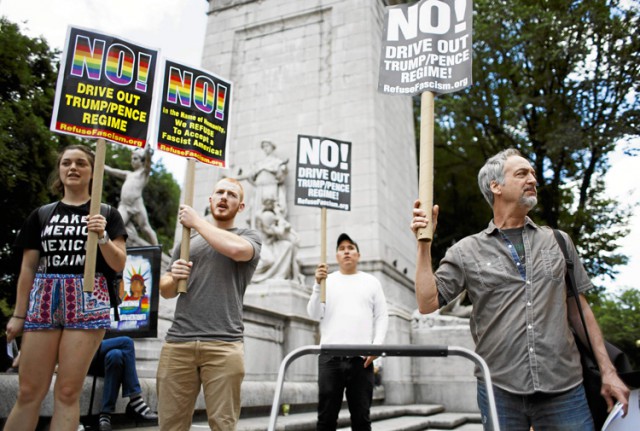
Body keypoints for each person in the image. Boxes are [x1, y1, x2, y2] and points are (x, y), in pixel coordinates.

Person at [410, 148, 630, 430]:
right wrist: (423, 245)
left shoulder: (559, 241)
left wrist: (608, 371)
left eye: (534, 174)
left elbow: (580, 312)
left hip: (565, 388)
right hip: (499, 391)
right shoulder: (466, 251)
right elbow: (427, 302)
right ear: (496, 186)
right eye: (522, 173)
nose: (533, 180)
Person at [4, 144, 127, 431]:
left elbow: (119, 264)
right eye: (67, 163)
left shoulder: (108, 214)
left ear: (93, 172)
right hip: (44, 299)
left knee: (68, 392)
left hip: (88, 300)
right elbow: (28, 268)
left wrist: (103, 237)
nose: (73, 168)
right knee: (28, 392)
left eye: (81, 163)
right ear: (60, 171)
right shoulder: (41, 215)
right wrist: (19, 314)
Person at [156, 177, 262, 430]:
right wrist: (174, 277)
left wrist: (197, 222)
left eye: (232, 195)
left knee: (223, 425)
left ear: (241, 206)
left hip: (224, 344)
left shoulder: (248, 237)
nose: (225, 197)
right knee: (170, 424)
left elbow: (237, 252)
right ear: (211, 199)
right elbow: (167, 290)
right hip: (178, 342)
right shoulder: (186, 242)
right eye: (220, 192)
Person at [307, 233, 389, 431]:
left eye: (350, 248)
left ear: (358, 255)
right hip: (330, 358)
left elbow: (382, 317)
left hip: (362, 359)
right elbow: (314, 314)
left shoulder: (371, 282)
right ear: (336, 256)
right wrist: (317, 286)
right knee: (326, 419)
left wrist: (376, 346)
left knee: (361, 419)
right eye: (342, 248)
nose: (346, 252)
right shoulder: (327, 281)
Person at [88, 336, 158, 431]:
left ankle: (105, 414)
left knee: (115, 355)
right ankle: (135, 399)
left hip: (99, 354)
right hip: (83, 352)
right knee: (127, 342)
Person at [104, 146, 158, 245]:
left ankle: (157, 249)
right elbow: (111, 170)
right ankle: (109, 248)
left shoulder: (143, 173)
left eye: (135, 158)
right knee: (116, 225)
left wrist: (148, 154)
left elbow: (148, 164)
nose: (132, 161)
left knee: (145, 228)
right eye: (132, 159)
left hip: (136, 203)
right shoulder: (128, 174)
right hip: (124, 205)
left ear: (142, 161)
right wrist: (96, 160)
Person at [236, 140, 289, 227]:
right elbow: (250, 175)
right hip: (259, 188)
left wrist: (283, 169)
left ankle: (271, 229)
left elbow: (282, 175)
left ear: (272, 147)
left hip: (270, 187)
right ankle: (256, 230)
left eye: (267, 146)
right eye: (263, 147)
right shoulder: (260, 163)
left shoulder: (277, 162)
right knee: (257, 211)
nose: (265, 149)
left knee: (270, 208)